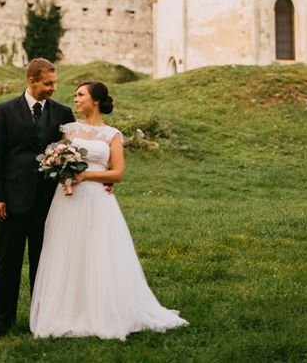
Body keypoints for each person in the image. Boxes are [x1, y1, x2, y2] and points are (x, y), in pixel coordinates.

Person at [29, 81, 188, 340]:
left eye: (81, 95)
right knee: (68, 250)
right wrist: (62, 170)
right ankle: (66, 311)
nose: (76, 99)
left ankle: (103, 310)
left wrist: (86, 175)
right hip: (69, 199)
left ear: (95, 100)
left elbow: (117, 173)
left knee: (99, 252)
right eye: (76, 95)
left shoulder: (112, 134)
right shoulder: (68, 130)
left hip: (98, 200)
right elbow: (59, 158)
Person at [0, 58, 75, 339]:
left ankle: (41, 318)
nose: (53, 88)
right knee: (8, 261)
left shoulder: (63, 112)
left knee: (43, 263)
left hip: (48, 202)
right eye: (48, 83)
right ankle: (2, 321)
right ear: (32, 80)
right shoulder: (6, 110)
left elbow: (74, 153)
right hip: (11, 201)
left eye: (55, 82)